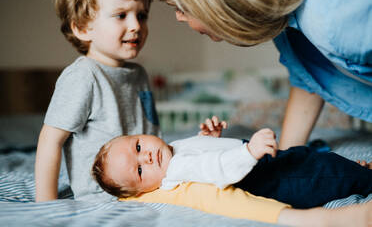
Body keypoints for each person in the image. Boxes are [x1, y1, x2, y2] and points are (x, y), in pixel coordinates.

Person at [148, 0, 372, 150]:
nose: (178, 17)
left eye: (179, 6)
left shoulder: (336, 18)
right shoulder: (287, 25)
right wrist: (287, 159)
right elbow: (309, 79)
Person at [34, 0, 160, 202]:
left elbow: (151, 133)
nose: (136, 26)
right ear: (83, 28)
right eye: (121, 15)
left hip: (150, 185)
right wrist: (46, 206)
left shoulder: (139, 74)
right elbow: (50, 141)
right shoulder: (84, 76)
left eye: (142, 15)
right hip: (103, 197)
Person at [91, 116, 372, 209]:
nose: (147, 156)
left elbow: (203, 153)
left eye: (138, 146)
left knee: (316, 159)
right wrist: (249, 152)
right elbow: (216, 168)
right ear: (143, 191)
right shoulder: (175, 169)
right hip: (272, 181)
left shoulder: (173, 151)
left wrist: (209, 138)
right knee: (324, 174)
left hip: (269, 165)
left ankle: (355, 172)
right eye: (140, 169)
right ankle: (361, 178)